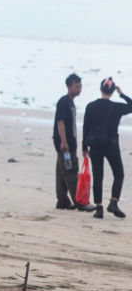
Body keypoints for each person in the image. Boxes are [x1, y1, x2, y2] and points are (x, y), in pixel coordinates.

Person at [82, 77, 132, 219]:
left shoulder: (91, 106)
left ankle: (99, 209)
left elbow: (86, 127)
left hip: (95, 144)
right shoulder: (116, 107)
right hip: (111, 144)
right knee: (119, 174)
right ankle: (113, 202)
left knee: (98, 177)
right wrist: (121, 94)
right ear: (112, 91)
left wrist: (84, 147)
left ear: (100, 89)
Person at [54, 73, 86, 210]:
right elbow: (60, 122)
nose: (79, 89)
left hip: (68, 142)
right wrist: (64, 141)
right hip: (65, 143)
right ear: (69, 86)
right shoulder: (64, 102)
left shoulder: (70, 102)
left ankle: (62, 201)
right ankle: (80, 202)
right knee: (71, 171)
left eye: (80, 86)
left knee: (61, 171)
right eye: (77, 86)